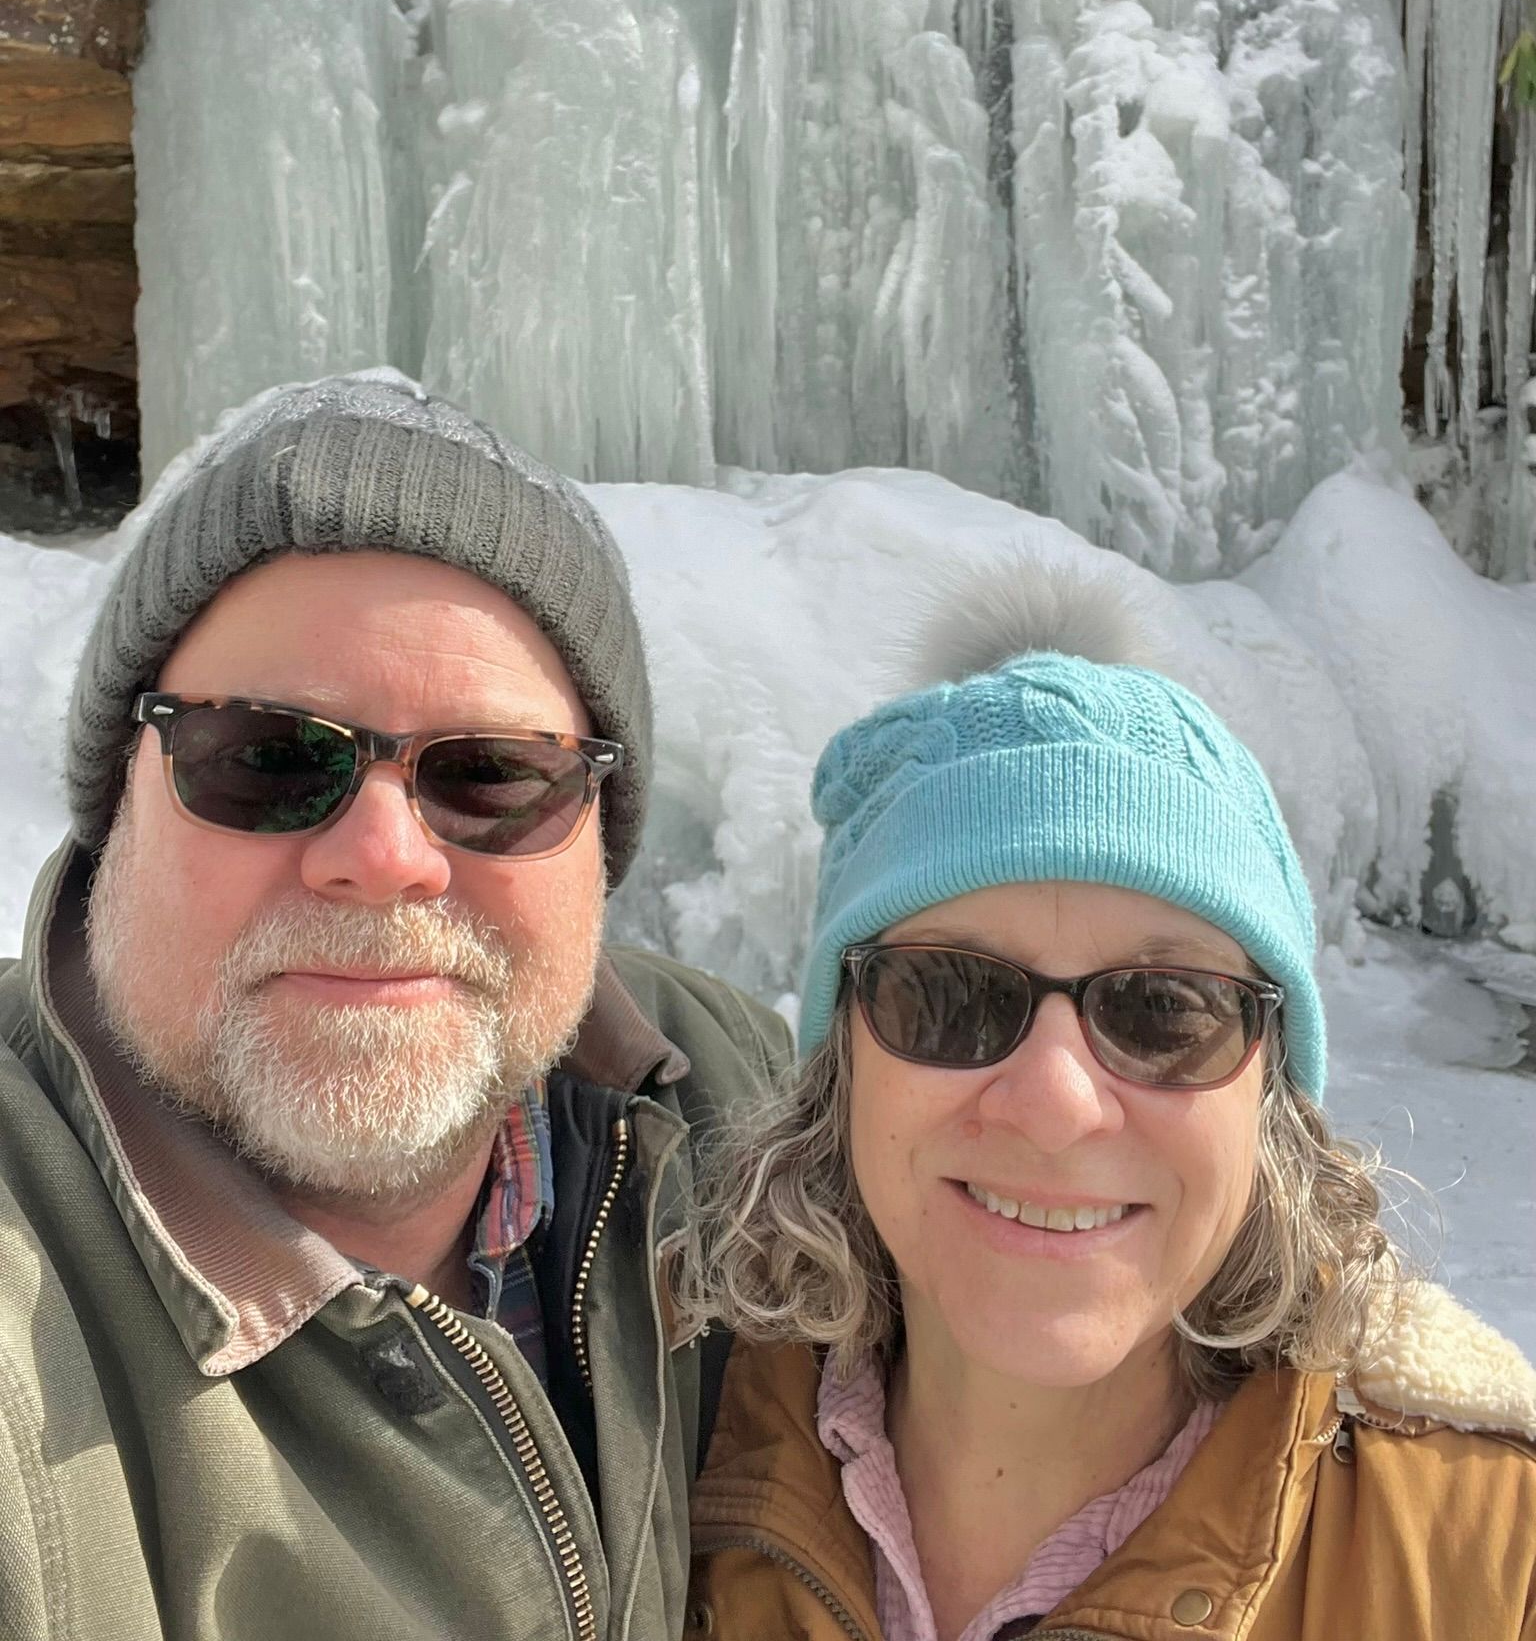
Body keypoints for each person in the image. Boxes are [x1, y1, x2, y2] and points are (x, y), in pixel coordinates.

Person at [0, 375, 790, 1641]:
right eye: (264, 758)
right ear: (118, 813)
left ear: (595, 850)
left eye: (489, 776)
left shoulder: (737, 1103)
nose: (383, 854)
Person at [679, 580, 1536, 1641]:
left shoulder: (1491, 1556)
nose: (1055, 1102)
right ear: (839, 1060)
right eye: (951, 995)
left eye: (1165, 1010)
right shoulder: (650, 1453)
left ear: (1270, 1092)